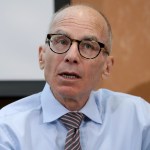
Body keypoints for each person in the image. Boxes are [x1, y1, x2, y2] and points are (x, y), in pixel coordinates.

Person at [0, 4, 150, 150]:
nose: (71, 56)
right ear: (42, 57)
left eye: (88, 46)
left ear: (107, 66)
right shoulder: (7, 128)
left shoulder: (139, 118)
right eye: (62, 41)